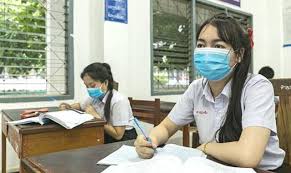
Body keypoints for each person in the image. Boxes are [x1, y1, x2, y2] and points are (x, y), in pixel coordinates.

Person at [134, 13, 285, 171]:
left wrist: (206, 146)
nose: (206, 52)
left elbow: (248, 155)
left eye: (218, 46)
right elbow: (166, 127)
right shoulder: (196, 88)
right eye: (200, 45)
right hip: (215, 165)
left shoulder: (257, 87)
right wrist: (150, 139)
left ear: (239, 55)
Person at [59, 62, 137, 143]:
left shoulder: (119, 100)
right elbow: (80, 105)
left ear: (105, 83)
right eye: (86, 86)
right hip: (104, 135)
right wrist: (69, 107)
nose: (89, 89)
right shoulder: (94, 97)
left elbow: (118, 135)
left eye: (92, 85)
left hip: (124, 141)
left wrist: (95, 116)